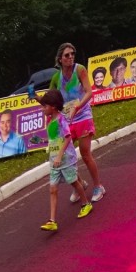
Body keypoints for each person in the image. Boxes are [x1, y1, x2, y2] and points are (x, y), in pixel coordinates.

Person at [50, 43, 106, 203]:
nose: (70, 57)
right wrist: (38, 100)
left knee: (85, 153)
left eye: (72, 54)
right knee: (66, 156)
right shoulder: (56, 78)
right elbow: (52, 98)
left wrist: (78, 106)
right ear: (60, 59)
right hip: (67, 120)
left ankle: (98, 186)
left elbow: (89, 91)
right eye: (67, 55)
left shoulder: (80, 69)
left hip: (83, 116)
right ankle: (79, 185)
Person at [37, 90, 93, 232]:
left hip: (66, 159)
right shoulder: (50, 120)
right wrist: (41, 140)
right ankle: (52, 221)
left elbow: (68, 137)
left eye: (44, 106)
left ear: (53, 107)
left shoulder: (62, 120)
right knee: (52, 189)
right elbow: (53, 139)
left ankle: (86, 204)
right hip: (54, 161)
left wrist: (60, 156)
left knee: (74, 182)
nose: (42, 109)